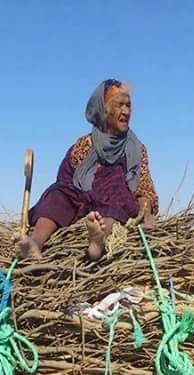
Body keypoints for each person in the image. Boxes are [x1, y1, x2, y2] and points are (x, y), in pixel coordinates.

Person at [16, 79, 158, 261]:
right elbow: (65, 182)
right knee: (57, 194)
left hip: (114, 207)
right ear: (104, 109)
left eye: (129, 105)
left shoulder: (136, 149)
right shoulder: (82, 146)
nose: (126, 111)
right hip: (84, 207)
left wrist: (147, 214)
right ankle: (35, 242)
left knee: (114, 184)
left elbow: (144, 185)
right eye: (119, 105)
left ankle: (98, 243)